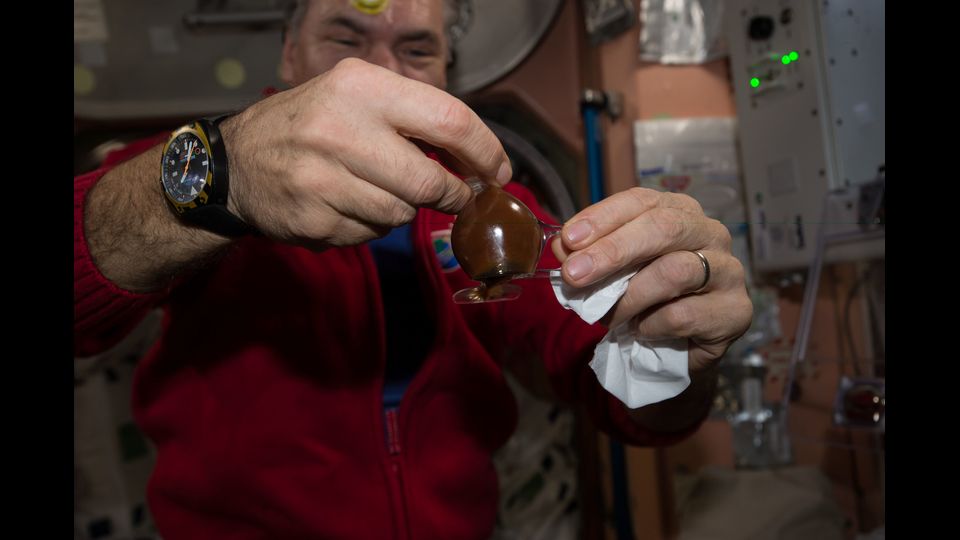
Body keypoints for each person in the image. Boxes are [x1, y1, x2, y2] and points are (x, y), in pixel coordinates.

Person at [74, 0, 753, 537]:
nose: (378, 73)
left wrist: (677, 343)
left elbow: (617, 394)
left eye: (417, 47)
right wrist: (218, 182)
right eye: (345, 37)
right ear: (289, 51)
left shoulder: (499, 212)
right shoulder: (196, 171)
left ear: (448, 72)